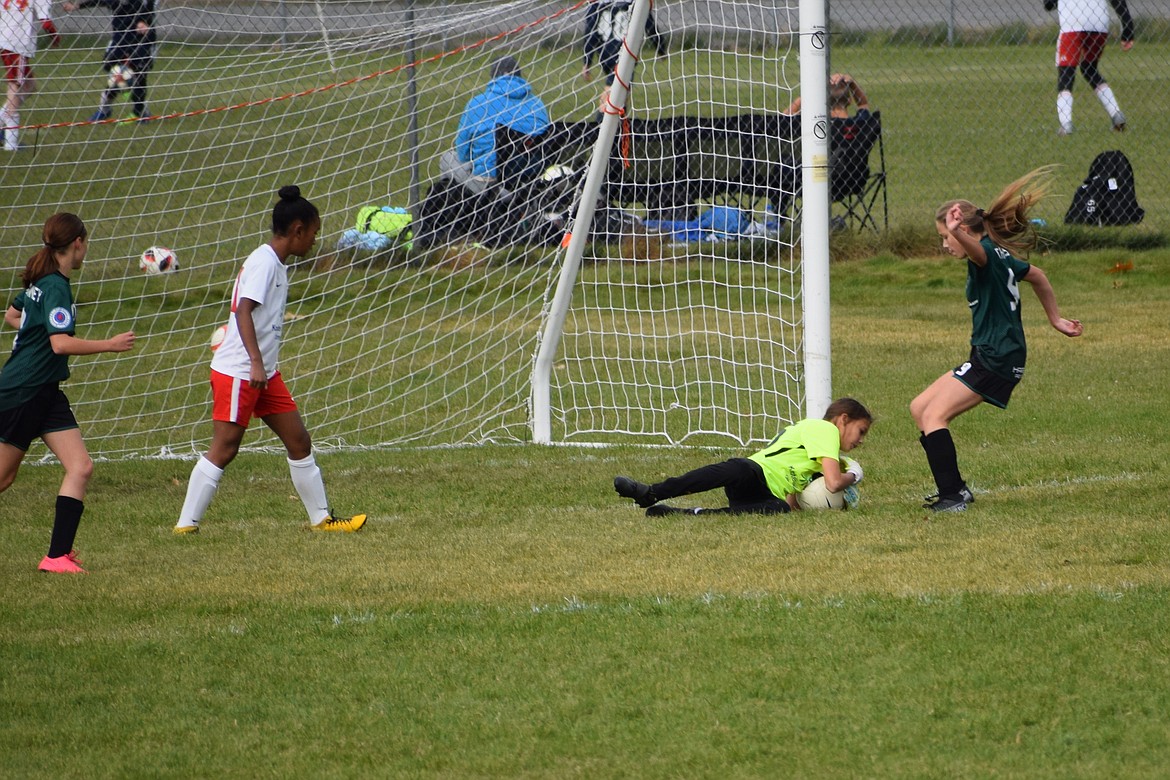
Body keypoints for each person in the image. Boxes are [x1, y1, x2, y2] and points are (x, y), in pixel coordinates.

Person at [173, 186, 366, 534]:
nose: (314, 241)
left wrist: (264, 366)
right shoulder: (264, 262)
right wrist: (256, 362)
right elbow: (243, 310)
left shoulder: (277, 263)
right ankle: (186, 525)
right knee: (225, 448)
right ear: (297, 230)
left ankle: (322, 520)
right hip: (240, 372)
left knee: (299, 440)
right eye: (314, 233)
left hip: (263, 373)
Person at [911, 168, 1083, 513]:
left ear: (965, 232)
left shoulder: (985, 256)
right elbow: (1039, 276)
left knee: (934, 418)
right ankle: (956, 489)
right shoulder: (1001, 255)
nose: (945, 244)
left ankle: (952, 497)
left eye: (946, 236)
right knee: (920, 408)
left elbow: (977, 254)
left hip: (997, 358)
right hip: (989, 354)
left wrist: (959, 232)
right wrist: (1055, 319)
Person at [0, 213, 136, 573]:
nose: (85, 250)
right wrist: (109, 344)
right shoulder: (56, 285)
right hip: (24, 390)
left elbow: (13, 314)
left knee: (81, 466)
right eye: (85, 243)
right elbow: (60, 344)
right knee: (3, 478)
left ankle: (57, 556)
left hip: (45, 390)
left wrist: (32, 336)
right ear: (77, 243)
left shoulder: (41, 281)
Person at [613, 398, 871, 516]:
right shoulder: (824, 430)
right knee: (739, 470)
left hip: (764, 494)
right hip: (754, 472)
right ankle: (652, 492)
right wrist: (854, 475)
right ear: (844, 419)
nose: (860, 440)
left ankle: (684, 512)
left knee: (779, 510)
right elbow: (834, 483)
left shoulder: (819, 453)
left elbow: (794, 494)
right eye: (861, 431)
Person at [439, 55, 550, 197]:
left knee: (447, 158)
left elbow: (463, 154)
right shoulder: (537, 104)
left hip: (487, 185)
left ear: (492, 78)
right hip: (528, 183)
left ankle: (459, 213)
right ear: (519, 76)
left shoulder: (477, 104)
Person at [1044, 0, 1133, 134]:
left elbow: (1049, 4)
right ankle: (1116, 114)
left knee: (1066, 73)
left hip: (1073, 22)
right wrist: (1128, 26)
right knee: (1089, 68)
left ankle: (1066, 123)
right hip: (1099, 23)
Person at [61, 0, 157, 121]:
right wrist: (76, 6)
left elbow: (149, 6)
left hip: (142, 38)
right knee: (112, 69)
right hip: (120, 38)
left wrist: (144, 21)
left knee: (139, 73)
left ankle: (140, 111)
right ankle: (106, 109)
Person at [582, 0, 667, 122]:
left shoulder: (598, 3)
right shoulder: (635, 3)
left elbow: (590, 32)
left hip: (605, 55)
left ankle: (618, 135)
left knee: (620, 98)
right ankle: (598, 131)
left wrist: (587, 61)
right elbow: (650, 26)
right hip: (623, 54)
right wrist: (661, 49)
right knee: (611, 99)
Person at [0, 0, 59, 151]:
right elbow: (46, 22)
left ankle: (2, 120)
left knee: (30, 86)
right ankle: (10, 143)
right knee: (15, 85)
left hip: (5, 40)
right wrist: (55, 37)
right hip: (17, 44)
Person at [783, 72, 870, 119]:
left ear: (824, 102)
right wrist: (851, 83)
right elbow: (863, 104)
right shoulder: (858, 123)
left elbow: (785, 116)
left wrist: (811, 92)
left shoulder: (816, 123)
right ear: (850, 100)